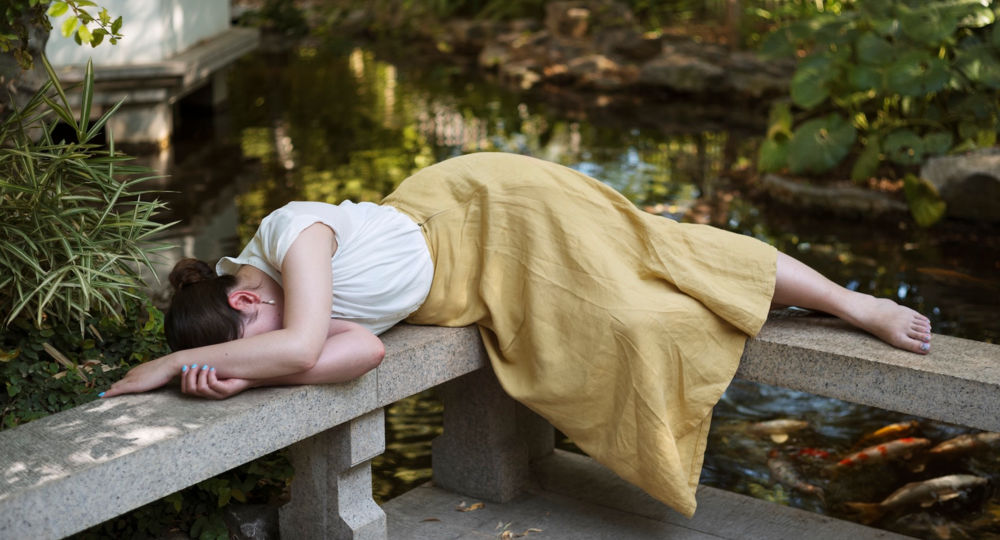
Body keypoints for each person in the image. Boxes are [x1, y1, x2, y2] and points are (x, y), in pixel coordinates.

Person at [101, 152, 931, 516]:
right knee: (641, 316)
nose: (277, 344)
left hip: (489, 209)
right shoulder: (286, 321)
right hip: (484, 280)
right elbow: (360, 352)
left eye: (250, 340)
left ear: (246, 304)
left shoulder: (289, 238)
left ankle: (854, 303)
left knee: (666, 245)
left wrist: (180, 362)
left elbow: (301, 339)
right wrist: (248, 376)